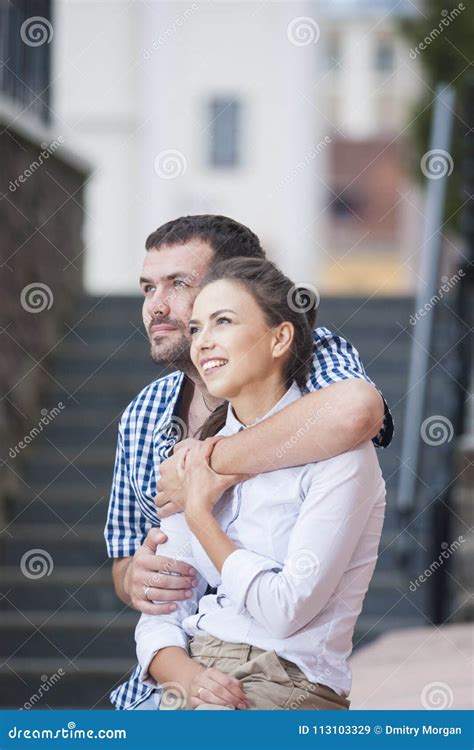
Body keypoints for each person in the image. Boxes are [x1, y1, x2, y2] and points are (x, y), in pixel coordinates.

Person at [104, 214, 393, 709]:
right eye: (148, 288)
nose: (158, 306)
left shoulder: (312, 359)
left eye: (179, 284)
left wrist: (207, 463)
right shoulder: (143, 415)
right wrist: (136, 578)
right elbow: (128, 558)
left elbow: (358, 413)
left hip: (275, 672)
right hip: (171, 670)